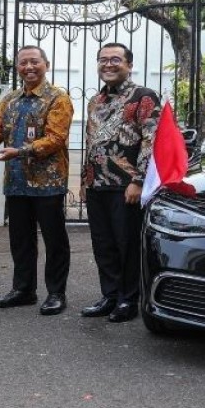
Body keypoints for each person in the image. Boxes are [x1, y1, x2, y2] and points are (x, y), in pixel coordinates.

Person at [0, 45, 73, 316]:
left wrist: (20, 151)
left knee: (54, 239)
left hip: (48, 182)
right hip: (17, 181)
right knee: (20, 239)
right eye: (23, 63)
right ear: (17, 67)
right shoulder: (10, 99)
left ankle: (56, 293)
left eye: (35, 62)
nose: (29, 67)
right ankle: (23, 290)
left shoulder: (59, 98)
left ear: (46, 64)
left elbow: (55, 139)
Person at [80, 42, 159, 323]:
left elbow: (151, 142)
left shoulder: (144, 97)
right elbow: (90, 143)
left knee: (126, 244)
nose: (108, 65)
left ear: (129, 65)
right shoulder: (96, 101)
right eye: (103, 60)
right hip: (97, 184)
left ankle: (128, 299)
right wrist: (84, 181)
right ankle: (109, 295)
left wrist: (138, 181)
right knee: (103, 244)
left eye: (116, 60)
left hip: (126, 186)